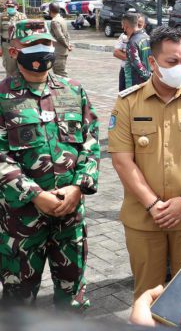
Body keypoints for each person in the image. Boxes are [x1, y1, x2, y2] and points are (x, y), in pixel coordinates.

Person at [108, 26, 181, 298]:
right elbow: (122, 160)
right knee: (147, 294)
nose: (180, 68)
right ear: (152, 62)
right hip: (145, 218)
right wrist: (153, 204)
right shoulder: (128, 103)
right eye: (172, 62)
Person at [0, 20, 100, 309]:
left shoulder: (73, 91)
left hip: (70, 218)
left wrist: (79, 187)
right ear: (15, 50)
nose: (41, 50)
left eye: (46, 43)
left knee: (73, 301)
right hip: (21, 222)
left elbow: (91, 143)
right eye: (32, 45)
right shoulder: (3, 97)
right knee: (18, 302)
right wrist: (35, 194)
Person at [122, 12, 151, 89]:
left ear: (125, 26)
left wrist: (149, 77)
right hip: (149, 85)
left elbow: (137, 65)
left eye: (123, 26)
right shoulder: (147, 37)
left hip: (135, 86)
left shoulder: (132, 42)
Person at [1, 0, 27, 77]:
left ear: (17, 7)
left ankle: (21, 85)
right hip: (7, 45)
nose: (9, 8)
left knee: (22, 66)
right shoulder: (2, 16)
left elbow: (27, 31)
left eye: (11, 6)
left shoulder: (22, 16)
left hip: (20, 45)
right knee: (10, 68)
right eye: (8, 6)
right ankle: (9, 86)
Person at [48, 2, 73, 76]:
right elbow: (66, 34)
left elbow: (60, 36)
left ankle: (71, 87)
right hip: (63, 51)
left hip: (58, 51)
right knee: (61, 72)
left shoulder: (54, 21)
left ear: (50, 11)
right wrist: (68, 44)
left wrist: (67, 46)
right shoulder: (61, 19)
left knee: (60, 73)